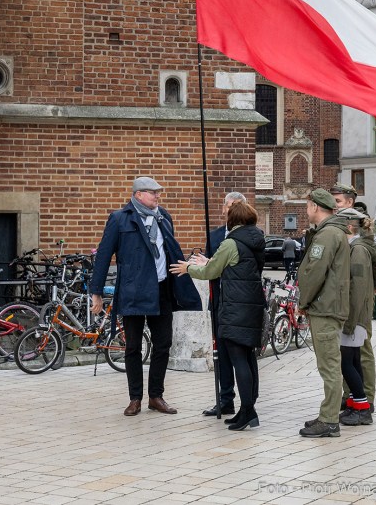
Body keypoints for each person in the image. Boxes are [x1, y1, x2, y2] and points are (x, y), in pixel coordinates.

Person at [90, 177, 202, 417]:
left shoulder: (164, 217)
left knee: (163, 344)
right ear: (139, 194)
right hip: (133, 292)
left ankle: (156, 396)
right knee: (132, 347)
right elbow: (103, 256)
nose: (158, 197)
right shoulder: (120, 218)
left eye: (159, 193)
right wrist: (96, 293)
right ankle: (135, 399)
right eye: (153, 193)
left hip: (161, 290)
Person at [171, 201, 264, 430]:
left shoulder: (230, 243)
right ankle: (247, 409)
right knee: (247, 357)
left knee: (237, 359)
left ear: (232, 219)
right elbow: (237, 267)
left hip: (234, 307)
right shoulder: (256, 241)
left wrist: (189, 269)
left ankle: (248, 412)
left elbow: (212, 272)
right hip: (252, 305)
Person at [296, 189, 350, 438]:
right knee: (328, 365)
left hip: (325, 308)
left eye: (308, 206)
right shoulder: (331, 232)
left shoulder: (327, 234)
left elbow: (314, 272)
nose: (307, 210)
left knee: (329, 366)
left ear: (315, 207)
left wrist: (303, 301)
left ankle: (329, 420)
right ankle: (327, 415)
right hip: (328, 306)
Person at [335, 187, 376, 411]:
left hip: (359, 296)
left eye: (337, 201)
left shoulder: (363, 224)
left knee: (361, 348)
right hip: (345, 294)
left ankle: (367, 397)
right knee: (346, 350)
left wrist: (371, 283)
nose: (334, 204)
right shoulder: (337, 222)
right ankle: (351, 395)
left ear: (349, 202)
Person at [200, 192, 247, 417]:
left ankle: (248, 403)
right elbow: (210, 270)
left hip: (239, 303)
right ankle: (225, 398)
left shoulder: (250, 235)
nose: (233, 210)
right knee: (221, 353)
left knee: (240, 354)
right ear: (223, 209)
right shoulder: (215, 236)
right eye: (231, 206)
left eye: (238, 206)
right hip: (219, 301)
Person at [337, 208, 374, 427]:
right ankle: (355, 404)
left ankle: (362, 408)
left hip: (355, 316)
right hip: (356, 315)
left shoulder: (358, 250)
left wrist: (349, 322)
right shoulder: (355, 248)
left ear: (349, 226)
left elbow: (358, 288)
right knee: (353, 360)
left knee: (346, 361)